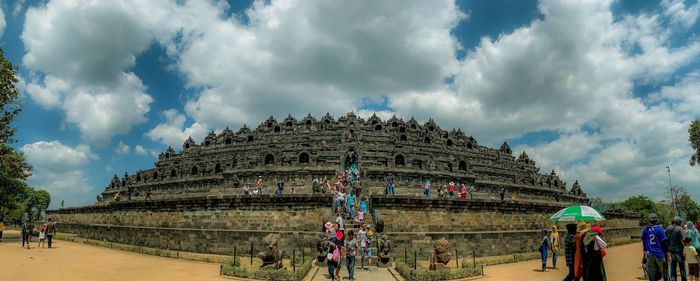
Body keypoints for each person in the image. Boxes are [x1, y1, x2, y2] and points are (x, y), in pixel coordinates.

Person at [642, 213, 669, 281]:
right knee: (665, 275)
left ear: (649, 220)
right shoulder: (659, 229)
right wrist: (667, 253)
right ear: (656, 220)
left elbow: (644, 242)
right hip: (660, 254)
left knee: (652, 277)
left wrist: (645, 254)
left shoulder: (645, 230)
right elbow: (664, 242)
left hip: (650, 255)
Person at [667, 216, 688, 281]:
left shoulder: (668, 228)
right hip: (679, 251)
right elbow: (683, 239)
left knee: (673, 267)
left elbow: (665, 239)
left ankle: (673, 279)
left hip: (671, 251)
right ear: (678, 222)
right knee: (682, 267)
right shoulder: (680, 229)